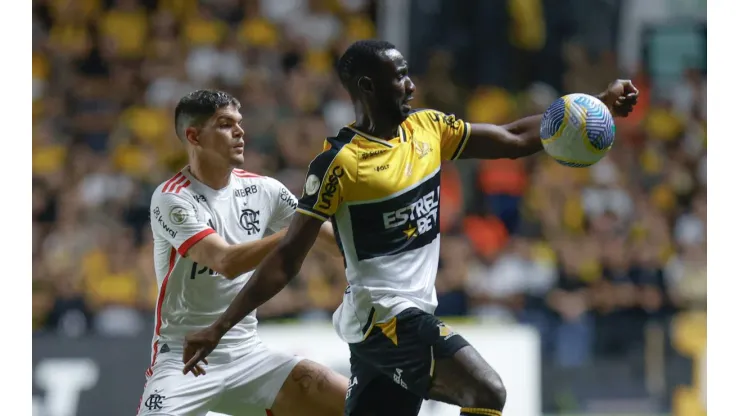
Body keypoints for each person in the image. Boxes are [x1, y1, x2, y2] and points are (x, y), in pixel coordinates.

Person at [181, 40, 639, 416]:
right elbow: (286, 259)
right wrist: (220, 326)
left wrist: (594, 107)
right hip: (384, 316)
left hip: (399, 318)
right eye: (398, 76)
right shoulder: (339, 163)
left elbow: (516, 139)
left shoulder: (428, 128)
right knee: (486, 392)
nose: (410, 84)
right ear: (366, 86)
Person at [137, 90, 348, 416]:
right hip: (183, 358)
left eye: (239, 123)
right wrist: (297, 228)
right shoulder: (171, 198)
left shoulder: (265, 190)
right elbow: (225, 262)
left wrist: (364, 211)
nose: (240, 132)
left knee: (352, 401)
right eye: (224, 124)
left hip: (246, 354)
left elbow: (335, 244)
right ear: (194, 136)